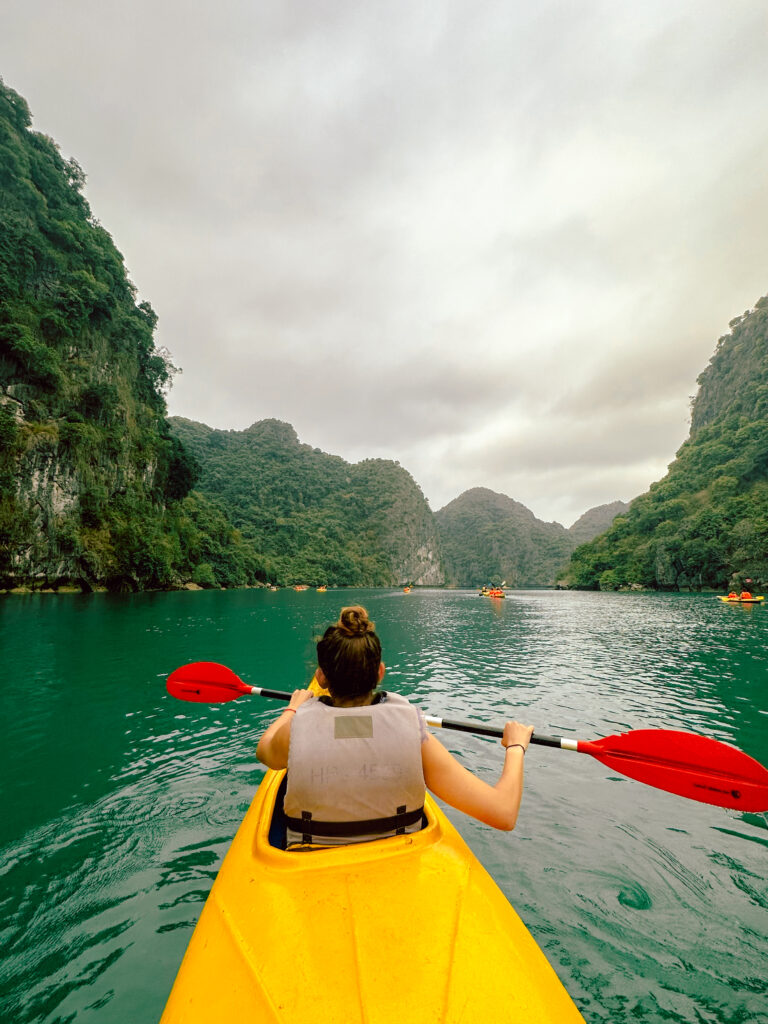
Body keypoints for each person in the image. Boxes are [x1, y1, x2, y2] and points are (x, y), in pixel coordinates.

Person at [256, 605, 534, 847]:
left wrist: (293, 708)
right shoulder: (412, 731)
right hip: (401, 854)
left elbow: (265, 753)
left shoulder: (297, 727)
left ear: (322, 678)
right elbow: (503, 812)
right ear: (379, 673)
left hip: (309, 858)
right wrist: (516, 746)